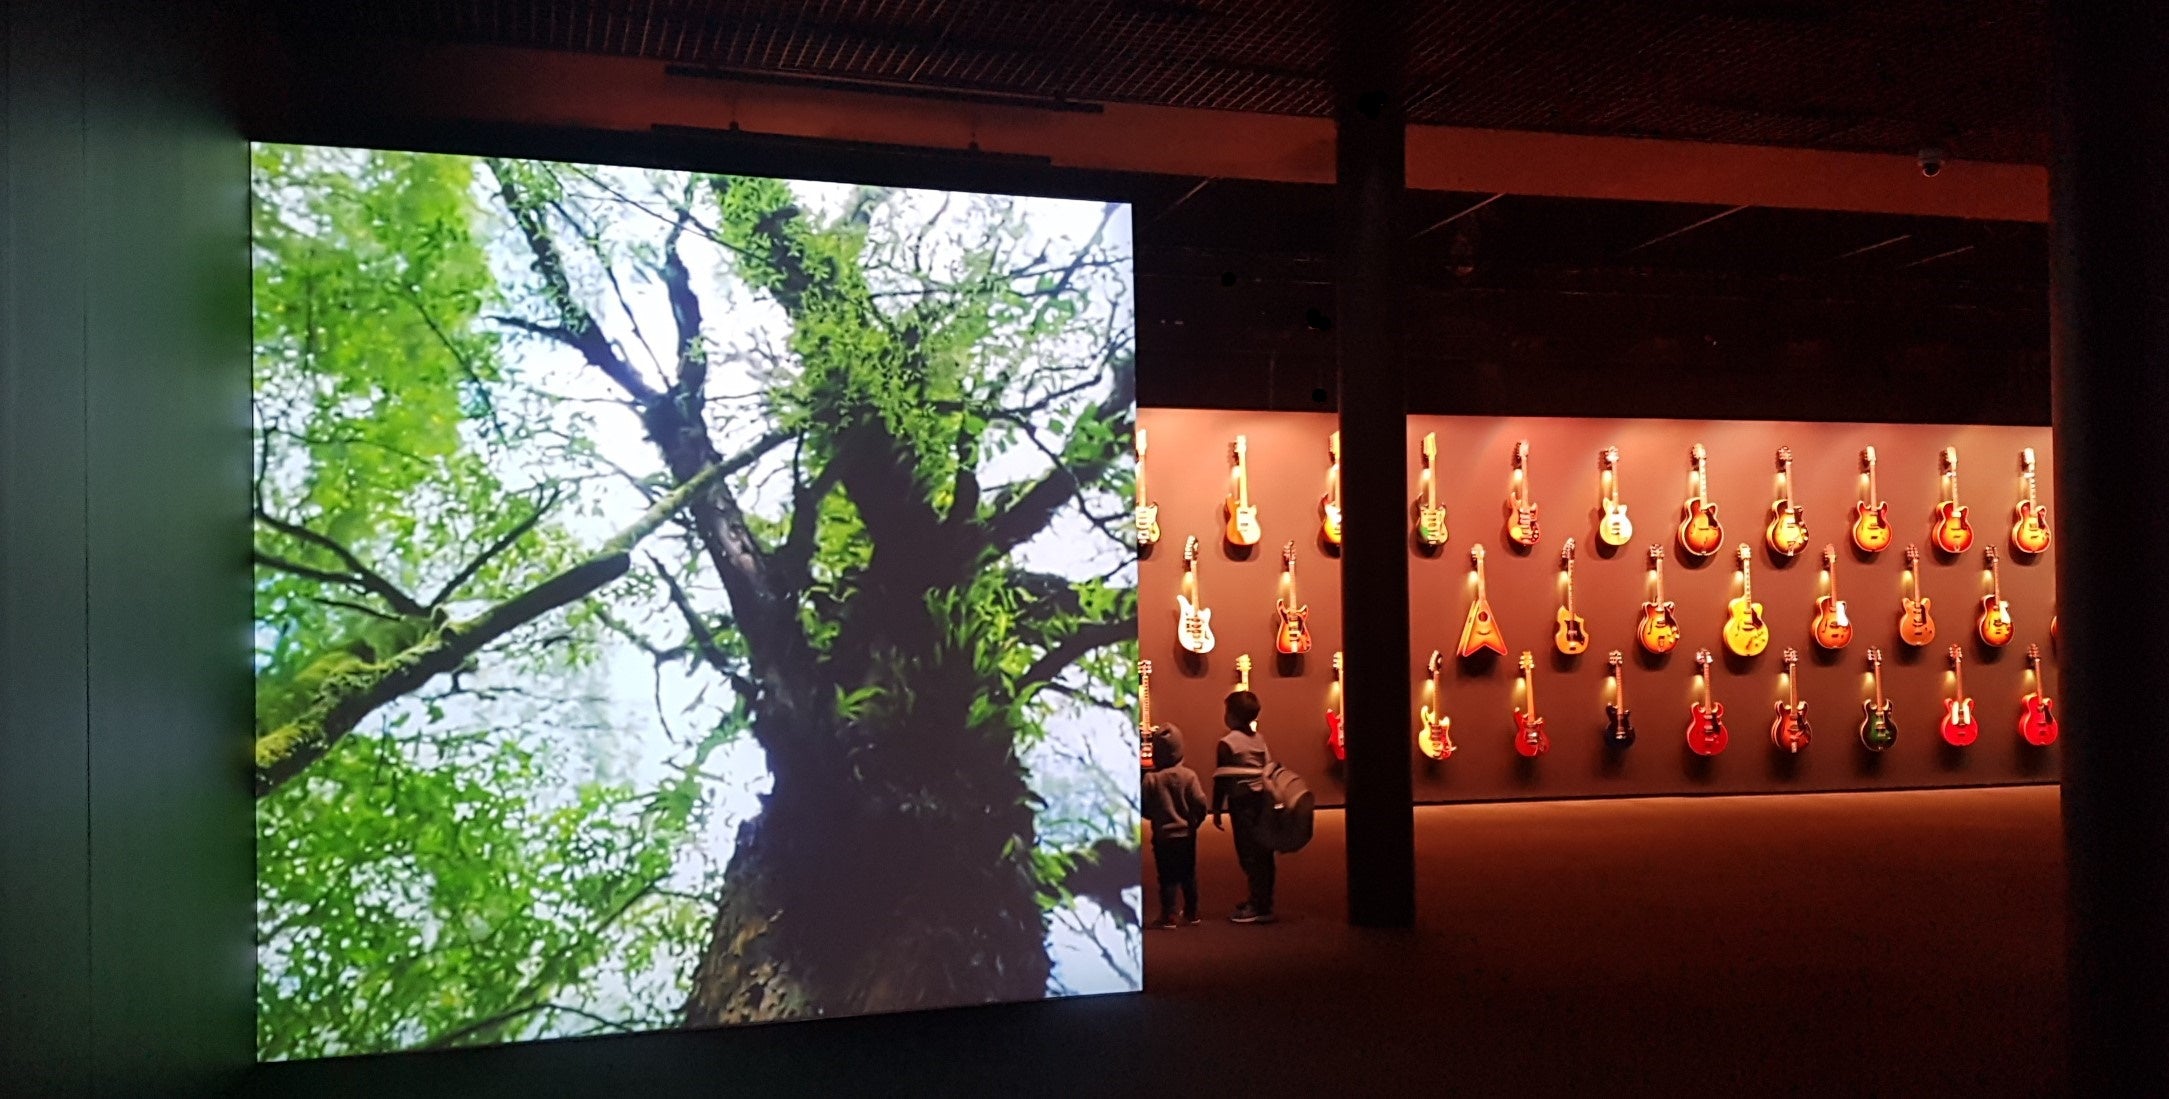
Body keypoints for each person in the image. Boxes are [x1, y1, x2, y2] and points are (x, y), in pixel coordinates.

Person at [1212, 690, 1276, 924]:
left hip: (1242, 804)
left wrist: (1216, 809)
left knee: (1248, 853)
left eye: (1227, 711)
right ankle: (1263, 899)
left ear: (1232, 716)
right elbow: (1268, 766)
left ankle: (1257, 906)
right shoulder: (1259, 739)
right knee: (1264, 852)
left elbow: (1221, 778)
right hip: (1263, 801)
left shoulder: (1227, 743)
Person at [1140, 722, 1208, 930]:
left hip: (1163, 836)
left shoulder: (1151, 779)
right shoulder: (1190, 776)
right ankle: (1192, 912)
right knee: (1188, 874)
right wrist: (1195, 821)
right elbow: (1200, 802)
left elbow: (1144, 806)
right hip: (1187, 834)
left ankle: (1169, 914)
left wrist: (1156, 817)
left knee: (1167, 877)